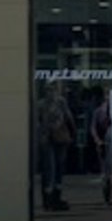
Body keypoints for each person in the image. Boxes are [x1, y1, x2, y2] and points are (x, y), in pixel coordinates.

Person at [36, 83, 74, 211]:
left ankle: (54, 198)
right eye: (49, 89)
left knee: (57, 168)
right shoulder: (41, 104)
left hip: (58, 138)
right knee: (50, 169)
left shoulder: (60, 102)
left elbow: (68, 117)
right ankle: (49, 199)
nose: (51, 92)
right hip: (47, 139)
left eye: (53, 89)